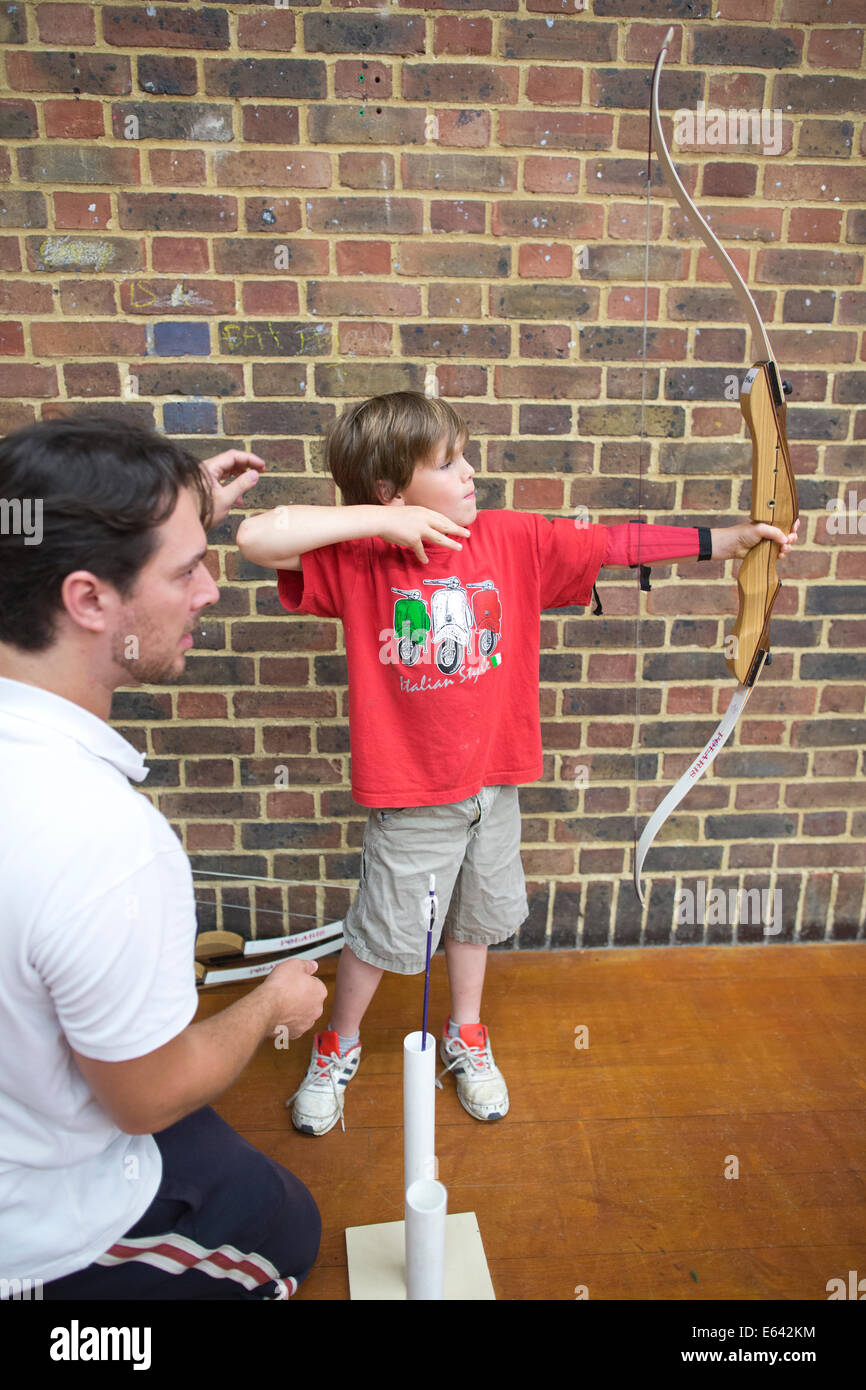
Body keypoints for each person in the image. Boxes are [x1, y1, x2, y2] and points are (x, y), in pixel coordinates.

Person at [237, 391, 799, 1138]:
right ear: (390, 492)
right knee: (381, 932)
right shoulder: (362, 557)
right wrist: (384, 522)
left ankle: (466, 1036)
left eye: (465, 455)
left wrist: (721, 541)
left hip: (495, 785)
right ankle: (337, 1046)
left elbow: (611, 544)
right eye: (447, 464)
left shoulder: (510, 538)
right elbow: (256, 537)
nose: (470, 473)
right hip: (412, 793)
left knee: (476, 919)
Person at [0, 415, 327, 1300]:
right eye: (187, 569)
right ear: (89, 600)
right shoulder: (102, 841)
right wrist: (271, 1005)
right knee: (286, 1232)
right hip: (36, 1232)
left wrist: (180, 512)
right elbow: (143, 1101)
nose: (211, 590)